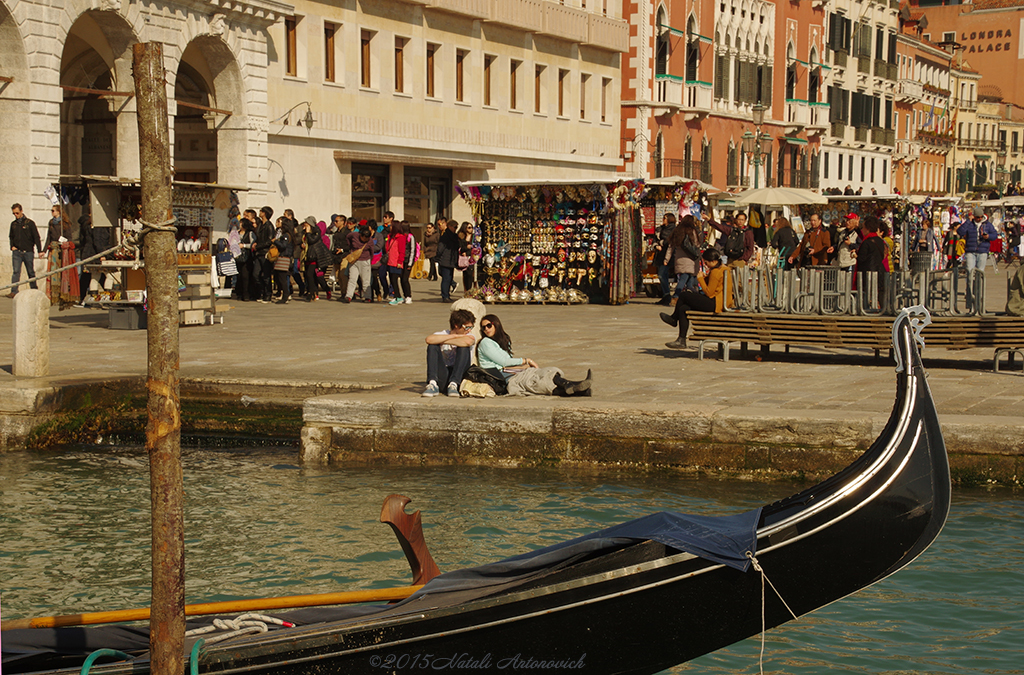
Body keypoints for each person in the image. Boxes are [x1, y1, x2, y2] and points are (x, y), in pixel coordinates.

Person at [476, 314, 592, 396]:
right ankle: (577, 387)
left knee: (547, 371)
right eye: (483, 327)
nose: (486, 329)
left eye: (489, 325)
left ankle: (576, 387)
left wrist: (523, 367)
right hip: (505, 378)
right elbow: (504, 362)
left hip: (512, 373)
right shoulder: (485, 342)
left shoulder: (500, 342)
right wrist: (527, 361)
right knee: (538, 383)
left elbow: (506, 363)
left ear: (496, 324)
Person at [660, 249, 733, 349]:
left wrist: (700, 279)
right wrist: (706, 277)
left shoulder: (716, 272)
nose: (706, 265)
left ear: (713, 261)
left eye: (706, 263)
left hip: (715, 303)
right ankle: (681, 339)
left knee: (684, 295)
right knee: (683, 308)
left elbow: (709, 293)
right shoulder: (723, 269)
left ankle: (673, 319)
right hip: (720, 302)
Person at [423, 309, 477, 397]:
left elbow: (467, 342)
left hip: (460, 375)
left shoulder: (469, 336)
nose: (469, 330)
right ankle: (432, 383)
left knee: (463, 348)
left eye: (471, 327)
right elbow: (429, 340)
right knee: (432, 346)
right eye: (467, 327)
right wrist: (455, 336)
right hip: (444, 373)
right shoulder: (442, 333)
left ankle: (454, 384)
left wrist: (442, 341)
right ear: (456, 325)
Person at [9, 203, 42, 297]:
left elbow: (36, 237)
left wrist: (39, 250)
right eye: (14, 213)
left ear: (21, 211)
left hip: (28, 251)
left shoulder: (29, 223)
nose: (16, 215)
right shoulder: (14, 224)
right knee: (16, 272)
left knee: (30, 271)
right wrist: (12, 246)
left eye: (17, 213)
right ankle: (14, 291)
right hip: (17, 252)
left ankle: (34, 290)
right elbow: (11, 236)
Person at [343, 221, 378, 303]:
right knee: (352, 279)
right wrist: (351, 247)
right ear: (360, 235)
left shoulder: (369, 241)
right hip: (354, 261)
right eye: (364, 238)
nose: (365, 239)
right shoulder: (354, 235)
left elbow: (371, 252)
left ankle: (368, 297)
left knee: (366, 280)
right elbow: (348, 237)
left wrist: (369, 260)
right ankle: (348, 296)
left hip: (365, 261)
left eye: (367, 238)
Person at [666, 215, 701, 294]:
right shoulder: (692, 231)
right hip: (690, 258)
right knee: (684, 279)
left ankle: (691, 296)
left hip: (679, 258)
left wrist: (666, 259)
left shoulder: (677, 231)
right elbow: (697, 244)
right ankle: (676, 296)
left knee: (687, 280)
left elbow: (670, 247)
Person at [436, 218, 461, 302]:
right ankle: (445, 296)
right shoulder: (445, 236)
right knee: (446, 279)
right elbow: (440, 248)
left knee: (449, 278)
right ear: (449, 226)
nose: (455, 229)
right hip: (445, 259)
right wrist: (438, 257)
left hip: (451, 260)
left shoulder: (454, 236)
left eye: (456, 227)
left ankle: (447, 294)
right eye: (454, 227)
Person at [254, 206, 275, 303]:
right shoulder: (260, 225)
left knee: (266, 275)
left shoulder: (269, 226)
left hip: (265, 253)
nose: (260, 212)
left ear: (265, 213)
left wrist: (258, 246)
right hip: (258, 253)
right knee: (256, 274)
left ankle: (268, 294)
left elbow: (269, 241)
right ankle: (262, 292)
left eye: (261, 211)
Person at [385, 218, 408, 305]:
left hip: (396, 262)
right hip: (390, 261)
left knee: (394, 280)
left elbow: (402, 251)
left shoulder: (401, 238)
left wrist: (400, 261)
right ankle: (397, 296)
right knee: (391, 279)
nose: (390, 227)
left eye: (391, 226)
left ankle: (398, 297)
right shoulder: (390, 237)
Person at [655, 213, 677, 305]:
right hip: (661, 254)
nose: (663, 220)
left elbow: (669, 241)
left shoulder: (673, 229)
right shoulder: (661, 228)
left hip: (668, 256)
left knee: (662, 274)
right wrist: (656, 245)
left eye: (664, 218)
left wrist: (662, 243)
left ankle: (667, 295)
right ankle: (666, 295)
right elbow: (655, 239)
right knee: (662, 275)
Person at [272, 216, 294, 304]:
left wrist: (275, 241)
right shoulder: (285, 234)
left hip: (284, 258)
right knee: (279, 277)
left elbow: (283, 246)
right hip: (282, 258)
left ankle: (285, 295)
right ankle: (284, 294)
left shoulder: (286, 235)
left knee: (282, 278)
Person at [457, 222, 476, 295]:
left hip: (472, 257)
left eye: (471, 227)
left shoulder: (474, 237)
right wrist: (465, 249)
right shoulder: (461, 236)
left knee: (472, 273)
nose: (471, 229)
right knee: (466, 274)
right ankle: (466, 290)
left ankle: (473, 289)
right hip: (464, 258)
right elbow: (460, 246)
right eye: (469, 227)